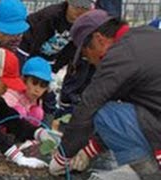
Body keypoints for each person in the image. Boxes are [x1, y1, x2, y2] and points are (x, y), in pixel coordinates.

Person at [49, 10, 161, 179]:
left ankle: (151, 173)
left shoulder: (120, 55)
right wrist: (88, 150)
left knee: (103, 111)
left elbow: (89, 105)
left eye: (86, 55)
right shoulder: (146, 36)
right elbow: (134, 116)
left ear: (99, 39)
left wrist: (62, 156)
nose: (91, 62)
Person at [17, 0, 95, 119]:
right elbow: (29, 42)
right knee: (23, 88)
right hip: (29, 52)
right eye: (76, 7)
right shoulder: (51, 16)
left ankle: (45, 119)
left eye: (84, 9)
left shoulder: (82, 25)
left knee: (46, 93)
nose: (79, 12)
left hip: (48, 58)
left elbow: (69, 50)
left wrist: (53, 70)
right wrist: (24, 70)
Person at [2, 56, 52, 127]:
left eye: (43, 85)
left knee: (38, 112)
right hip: (3, 127)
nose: (37, 89)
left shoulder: (36, 100)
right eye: (34, 83)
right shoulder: (11, 93)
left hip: (23, 130)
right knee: (19, 111)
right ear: (23, 80)